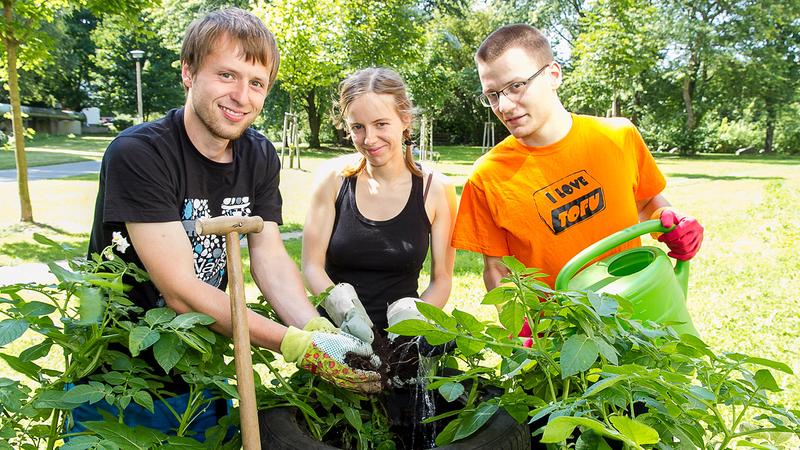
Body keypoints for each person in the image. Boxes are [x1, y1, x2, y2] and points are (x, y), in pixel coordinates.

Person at [78, 8, 380, 442]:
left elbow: (271, 259)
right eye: (227, 75)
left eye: (257, 83)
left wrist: (316, 330)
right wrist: (294, 346)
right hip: (120, 379)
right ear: (189, 72)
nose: (242, 95)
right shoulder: (140, 154)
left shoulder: (258, 155)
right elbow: (181, 292)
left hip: (205, 367)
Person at [452, 23, 704, 293]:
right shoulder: (487, 176)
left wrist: (670, 221)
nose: (503, 106)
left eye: (516, 86)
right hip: (556, 329)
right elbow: (497, 269)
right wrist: (518, 328)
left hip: (636, 315)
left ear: (553, 75)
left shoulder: (618, 135)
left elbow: (645, 203)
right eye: (492, 95)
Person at [301, 67, 457, 344]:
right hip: (337, 338)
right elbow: (312, 266)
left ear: (405, 120)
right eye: (357, 127)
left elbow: (442, 280)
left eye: (381, 124)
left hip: (402, 343)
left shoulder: (436, 190)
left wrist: (412, 321)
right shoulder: (333, 180)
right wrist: (343, 311)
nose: (369, 139)